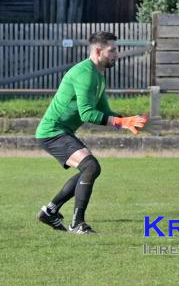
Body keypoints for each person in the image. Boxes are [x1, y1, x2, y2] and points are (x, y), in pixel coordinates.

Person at [36, 31, 148, 234]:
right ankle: (77, 223)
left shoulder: (98, 75)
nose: (117, 54)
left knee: (88, 169)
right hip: (52, 131)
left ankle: (50, 211)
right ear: (98, 51)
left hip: (61, 131)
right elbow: (87, 113)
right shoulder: (85, 74)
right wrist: (120, 122)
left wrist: (129, 121)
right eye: (112, 50)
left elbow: (104, 112)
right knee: (90, 167)